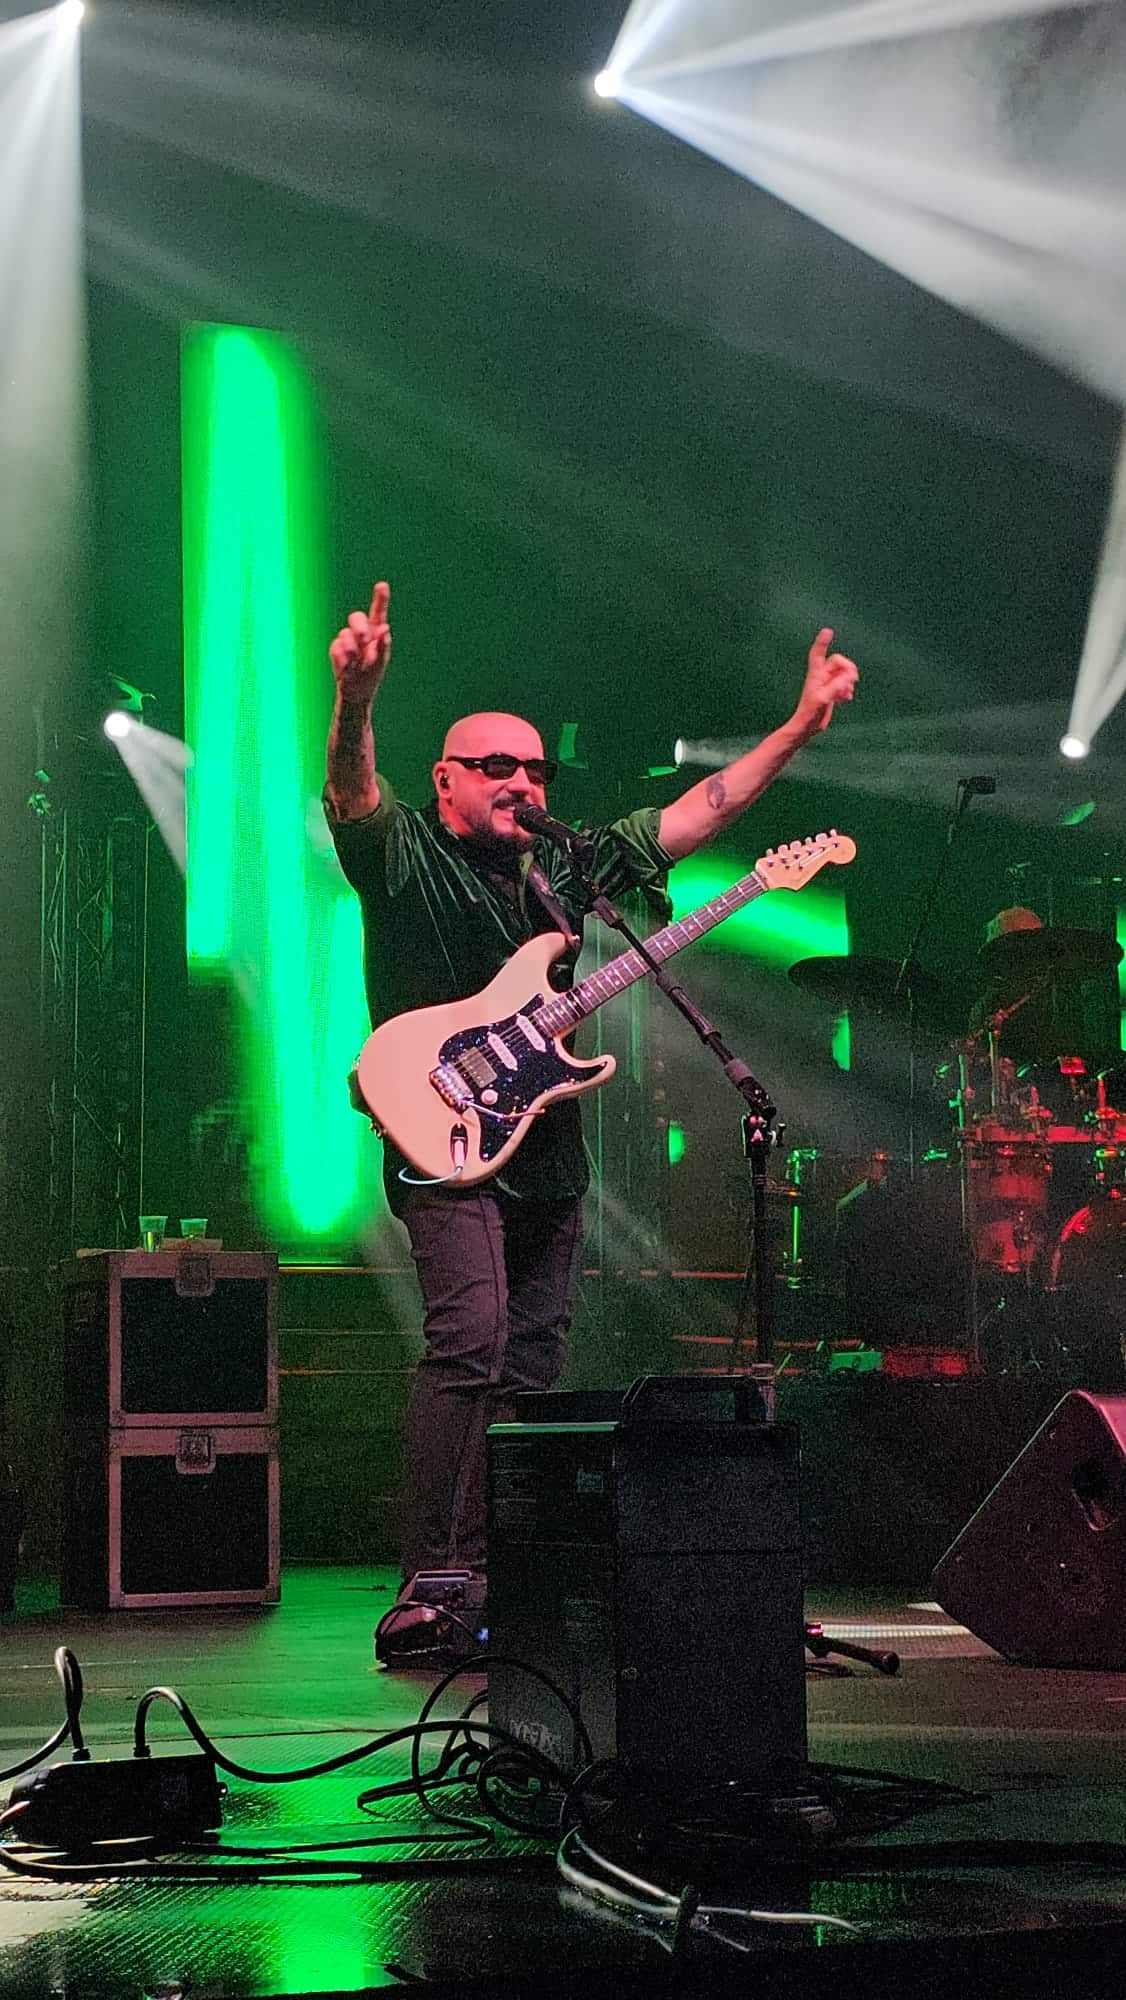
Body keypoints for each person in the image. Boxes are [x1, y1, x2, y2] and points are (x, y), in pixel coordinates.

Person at [325, 579, 857, 1653]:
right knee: (468, 1343)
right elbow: (350, 793)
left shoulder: (565, 868)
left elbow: (703, 810)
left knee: (530, 1364)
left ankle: (506, 1573)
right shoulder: (406, 853)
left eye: (534, 769)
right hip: (442, 1131)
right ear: (445, 779)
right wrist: (357, 699)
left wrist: (798, 728)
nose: (521, 781)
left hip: (546, 1149)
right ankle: (432, 1580)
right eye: (495, 766)